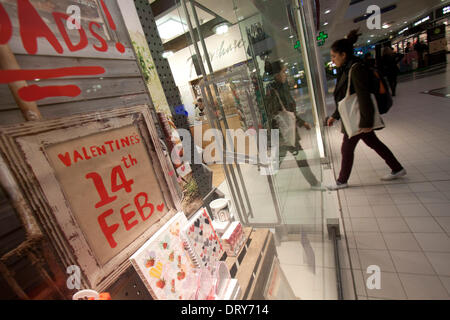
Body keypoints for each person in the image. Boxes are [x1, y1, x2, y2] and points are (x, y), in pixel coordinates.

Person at [326, 30, 406, 190]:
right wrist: (335, 116)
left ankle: (342, 181)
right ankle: (397, 168)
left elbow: (364, 97)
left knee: (346, 148)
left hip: (359, 118)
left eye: (334, 56)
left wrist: (367, 122)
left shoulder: (356, 69)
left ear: (343, 54)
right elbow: (344, 96)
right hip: (356, 117)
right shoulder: (347, 68)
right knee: (374, 143)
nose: (332, 60)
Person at [265, 60, 323, 191]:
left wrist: (302, 122)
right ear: (276, 74)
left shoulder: (282, 88)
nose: (285, 74)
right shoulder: (273, 91)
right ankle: (314, 183)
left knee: (283, 158)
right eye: (283, 71)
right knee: (298, 156)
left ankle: (270, 180)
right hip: (284, 133)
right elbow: (276, 113)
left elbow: (289, 112)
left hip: (287, 132)